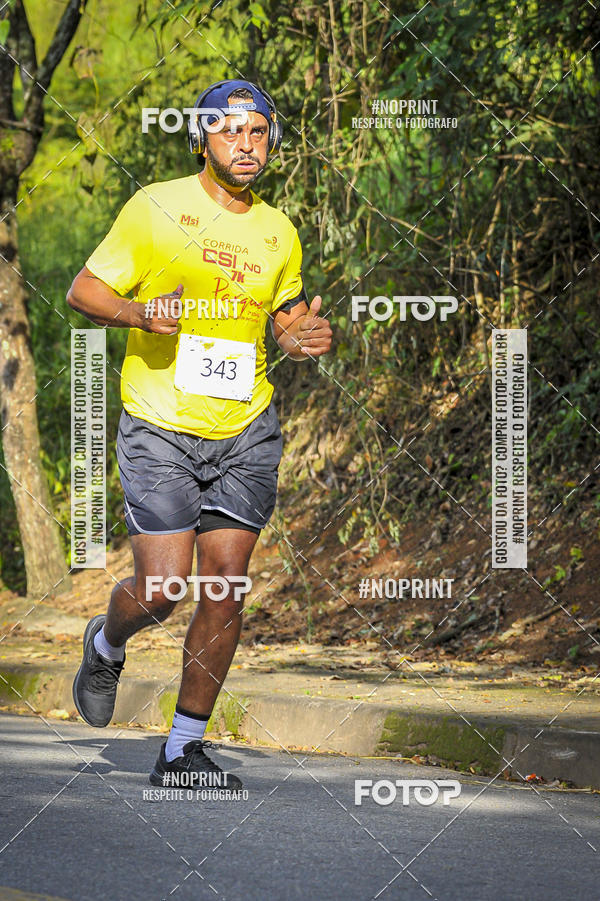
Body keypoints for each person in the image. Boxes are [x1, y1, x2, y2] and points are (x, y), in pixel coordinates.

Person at [67, 79, 332, 788]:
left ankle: (182, 747)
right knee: (162, 589)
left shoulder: (279, 230)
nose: (246, 145)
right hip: (160, 425)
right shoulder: (156, 207)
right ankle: (106, 638)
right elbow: (83, 290)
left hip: (245, 427)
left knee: (226, 587)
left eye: (258, 132)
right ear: (202, 139)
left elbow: (281, 317)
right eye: (230, 131)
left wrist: (300, 334)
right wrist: (139, 315)